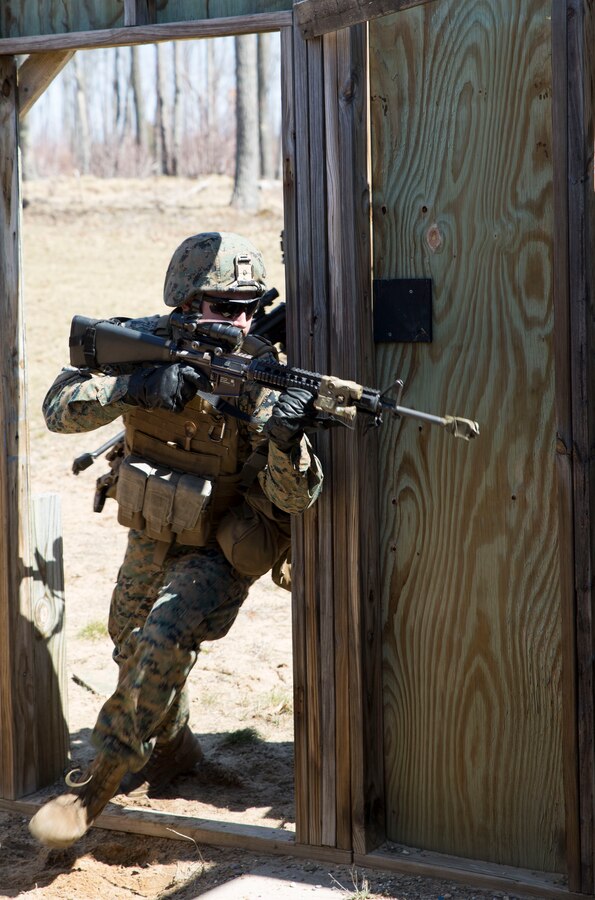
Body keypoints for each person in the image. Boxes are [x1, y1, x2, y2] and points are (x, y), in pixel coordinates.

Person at [29, 231, 323, 850]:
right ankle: (174, 749)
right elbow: (57, 408)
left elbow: (296, 499)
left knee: (164, 635)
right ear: (186, 302)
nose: (239, 321)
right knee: (129, 643)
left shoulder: (264, 375)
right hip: (158, 521)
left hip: (226, 538)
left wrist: (286, 436)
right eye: (223, 306)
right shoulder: (142, 342)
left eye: (249, 307)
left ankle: (94, 789)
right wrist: (131, 388)